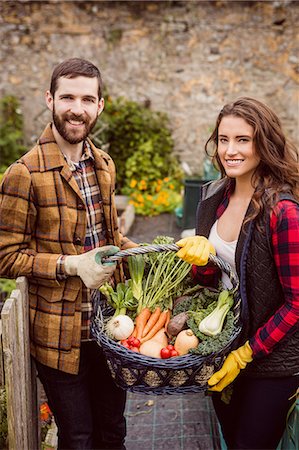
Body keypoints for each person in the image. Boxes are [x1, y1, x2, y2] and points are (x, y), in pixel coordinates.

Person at [0, 58, 137, 449]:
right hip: (60, 335)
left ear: (100, 106)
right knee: (78, 439)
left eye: (87, 99)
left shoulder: (104, 165)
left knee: (114, 432)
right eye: (68, 97)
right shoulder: (24, 174)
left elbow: (112, 235)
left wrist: (153, 251)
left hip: (111, 327)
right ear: (50, 100)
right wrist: (70, 265)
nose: (77, 108)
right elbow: (5, 255)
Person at [176, 97, 299, 449]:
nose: (230, 150)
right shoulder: (214, 197)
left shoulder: (282, 212)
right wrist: (201, 264)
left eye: (242, 140)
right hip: (220, 349)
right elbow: (210, 284)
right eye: (223, 139)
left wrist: (247, 352)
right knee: (230, 438)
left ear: (264, 143)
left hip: (270, 361)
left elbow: (296, 303)